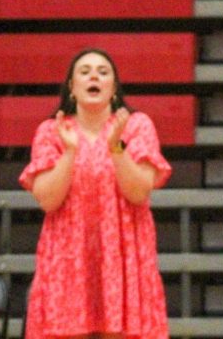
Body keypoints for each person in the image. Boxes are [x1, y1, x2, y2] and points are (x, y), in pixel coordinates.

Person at [19, 49, 170, 339]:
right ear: (71, 87)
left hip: (124, 256)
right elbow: (48, 200)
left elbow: (138, 192)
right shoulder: (51, 131)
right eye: (85, 71)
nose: (94, 76)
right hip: (68, 258)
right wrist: (71, 152)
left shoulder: (137, 126)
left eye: (103, 72)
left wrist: (116, 146)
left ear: (114, 88)